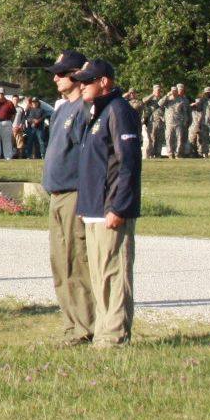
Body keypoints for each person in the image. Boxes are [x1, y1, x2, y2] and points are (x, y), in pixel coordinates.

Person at [72, 59, 141, 348]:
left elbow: (128, 164)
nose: (82, 85)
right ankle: (102, 331)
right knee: (100, 275)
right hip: (93, 208)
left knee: (114, 273)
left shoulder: (119, 111)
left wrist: (119, 207)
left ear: (104, 82)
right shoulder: (96, 112)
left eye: (88, 80)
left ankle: (113, 336)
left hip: (110, 208)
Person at [40, 50, 95, 346]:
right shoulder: (61, 109)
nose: (56, 77)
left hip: (74, 192)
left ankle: (86, 326)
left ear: (76, 74)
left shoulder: (85, 109)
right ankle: (70, 325)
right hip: (56, 194)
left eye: (61, 73)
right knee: (59, 263)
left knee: (77, 261)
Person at [162, 84, 191, 159]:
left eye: (181, 89)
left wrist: (186, 121)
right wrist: (167, 95)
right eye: (178, 90)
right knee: (169, 138)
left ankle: (178, 154)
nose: (179, 91)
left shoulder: (183, 100)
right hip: (169, 122)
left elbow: (186, 112)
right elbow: (160, 104)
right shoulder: (168, 98)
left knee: (179, 139)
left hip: (179, 122)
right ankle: (170, 154)